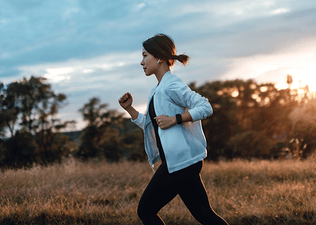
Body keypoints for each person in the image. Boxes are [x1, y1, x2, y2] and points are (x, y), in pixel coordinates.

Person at [119, 34, 229, 225]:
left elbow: (205, 107)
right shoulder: (158, 89)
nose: (141, 62)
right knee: (203, 213)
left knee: (146, 211)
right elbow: (152, 125)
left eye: (145, 56)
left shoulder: (172, 85)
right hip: (183, 162)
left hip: (180, 163)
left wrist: (176, 119)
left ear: (159, 57)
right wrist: (129, 109)